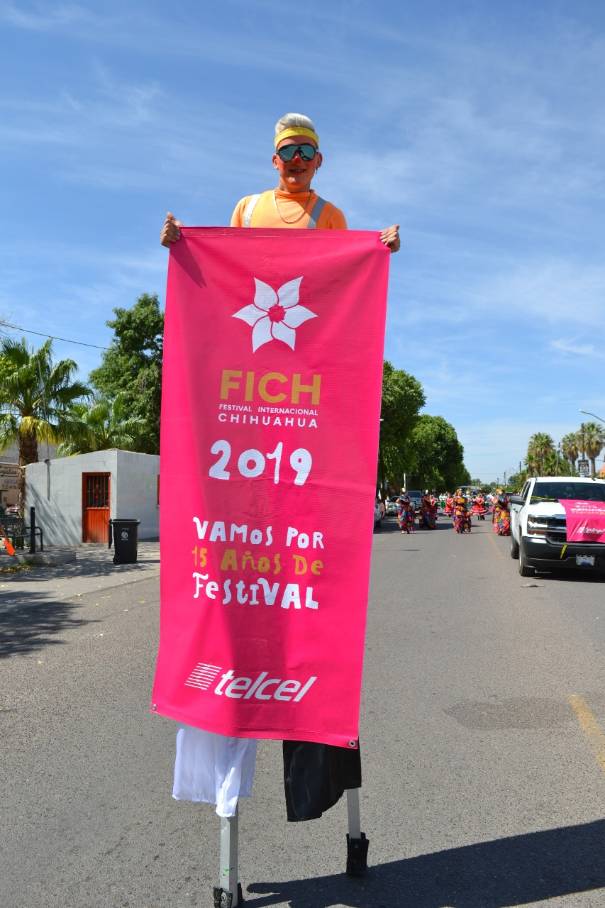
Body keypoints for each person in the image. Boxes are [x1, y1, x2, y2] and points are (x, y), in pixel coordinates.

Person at [161, 112, 400, 824]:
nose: (294, 162)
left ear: (319, 162)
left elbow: (339, 295)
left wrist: (376, 250)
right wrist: (181, 247)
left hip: (305, 388)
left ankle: (315, 776)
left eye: (306, 153)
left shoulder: (330, 215)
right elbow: (220, 276)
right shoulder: (246, 209)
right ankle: (222, 784)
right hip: (246, 385)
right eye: (285, 153)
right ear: (271, 160)